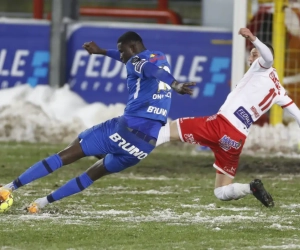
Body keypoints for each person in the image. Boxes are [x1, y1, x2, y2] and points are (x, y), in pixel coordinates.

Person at [0, 31, 195, 213]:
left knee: (71, 150)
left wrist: (175, 83)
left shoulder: (137, 62)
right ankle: (39, 204)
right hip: (145, 144)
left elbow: (144, 67)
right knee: (94, 173)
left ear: (133, 48)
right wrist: (102, 52)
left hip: (127, 128)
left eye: (121, 51)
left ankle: (8, 188)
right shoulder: (160, 57)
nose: (120, 56)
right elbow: (144, 65)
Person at [156, 27, 300, 208]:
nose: (251, 57)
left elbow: (269, 58)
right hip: (236, 139)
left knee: (168, 130)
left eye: (255, 54)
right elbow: (298, 114)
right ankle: (251, 188)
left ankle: (129, 152)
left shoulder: (261, 66)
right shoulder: (280, 91)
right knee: (221, 192)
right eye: (252, 54)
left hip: (222, 125)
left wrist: (253, 39)